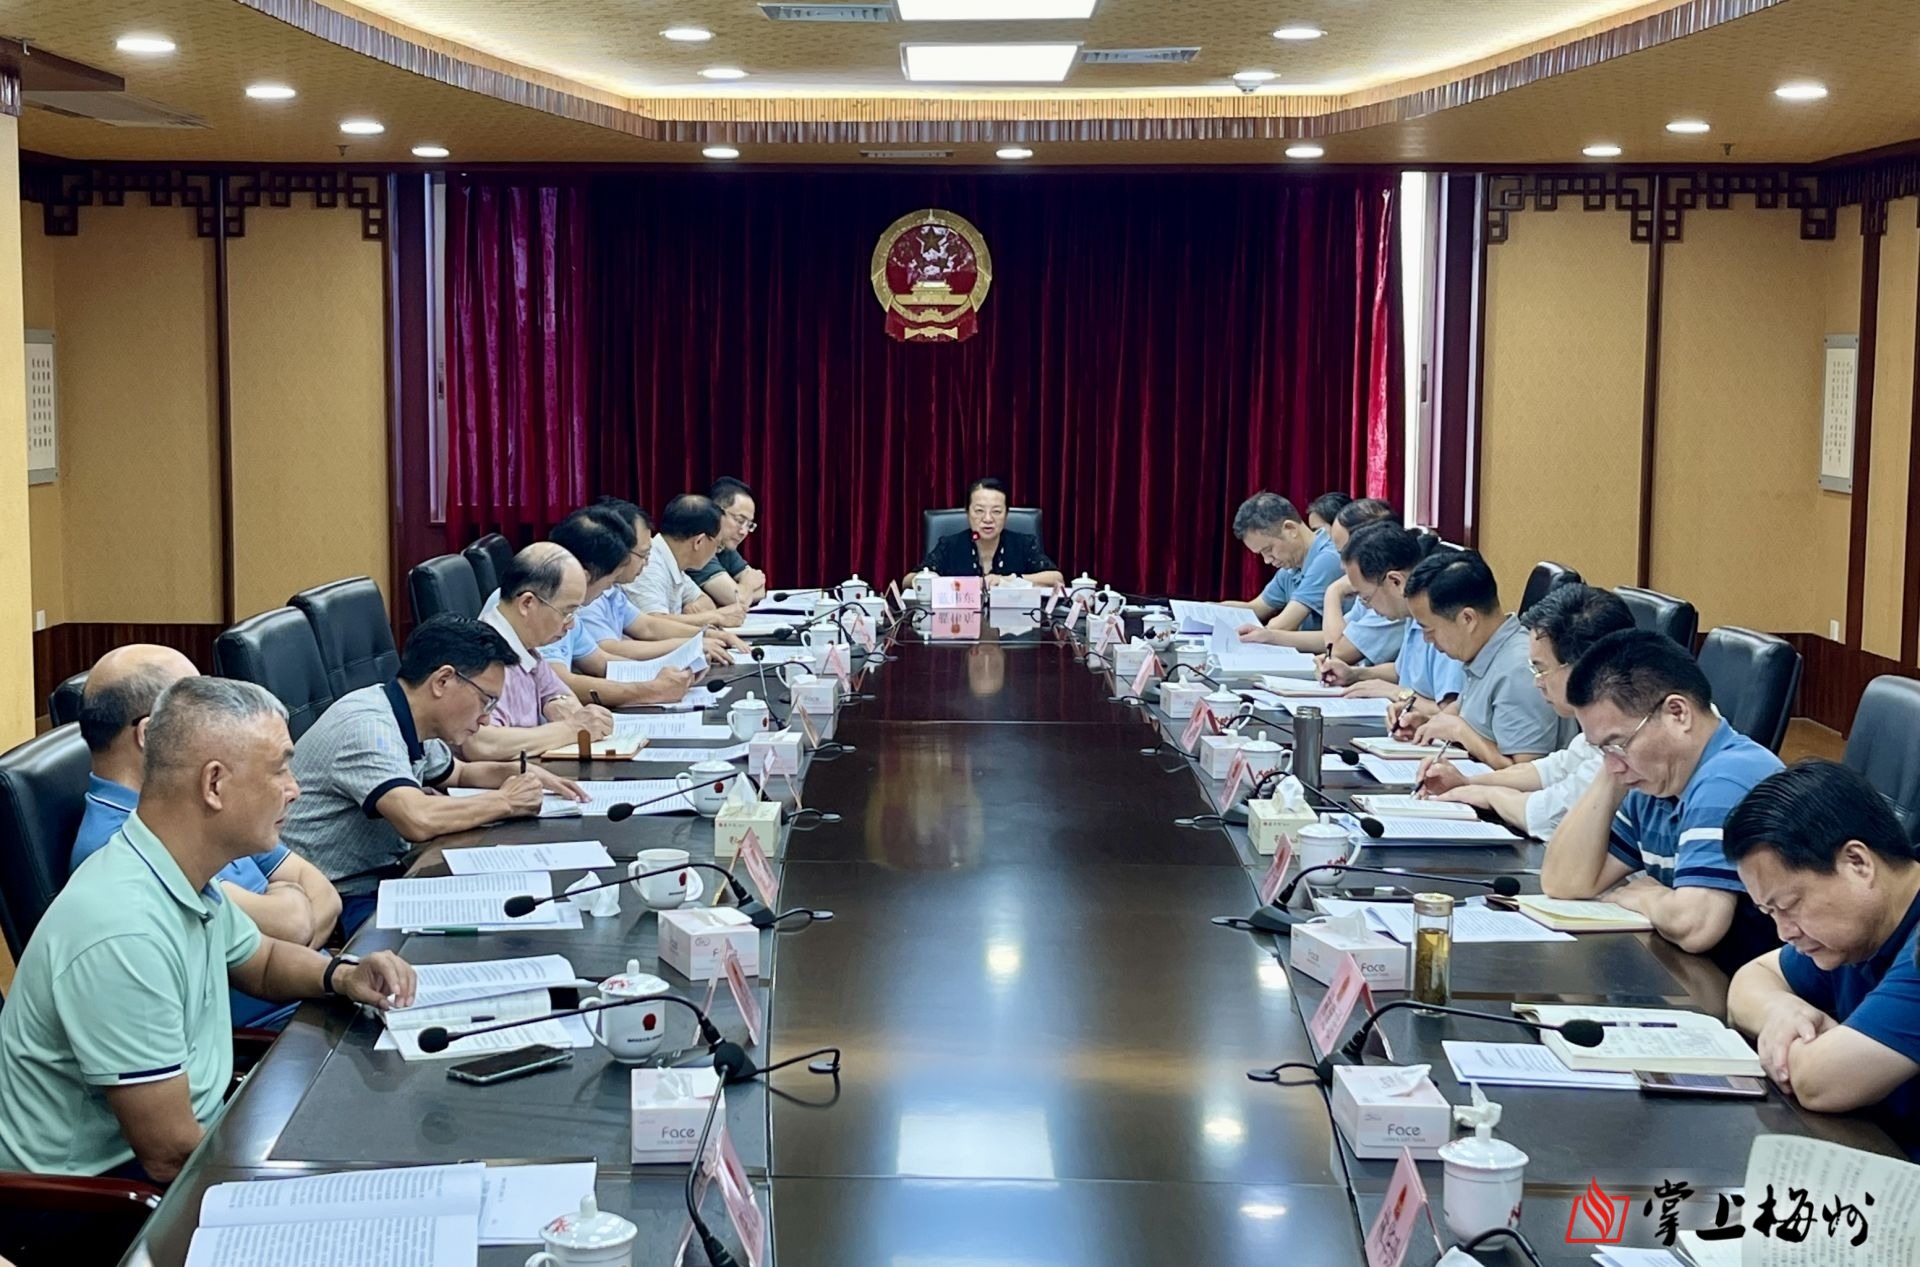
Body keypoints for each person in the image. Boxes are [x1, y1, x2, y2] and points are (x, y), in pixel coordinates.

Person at [0, 677, 417, 1181]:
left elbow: (263, 962)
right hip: (92, 1195)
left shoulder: (174, 869)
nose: (295, 788)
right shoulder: (124, 930)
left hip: (199, 1139)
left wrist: (342, 975)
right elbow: (169, 1154)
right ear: (214, 785)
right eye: (279, 769)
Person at [69, 645, 342, 1029]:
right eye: (200, 705)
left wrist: (323, 962)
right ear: (152, 734)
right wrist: (292, 905)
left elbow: (320, 900)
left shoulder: (208, 804)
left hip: (306, 992)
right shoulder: (129, 849)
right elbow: (293, 927)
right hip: (268, 1035)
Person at [278, 614, 586, 934]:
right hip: (337, 896)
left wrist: (518, 771)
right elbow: (417, 818)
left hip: (384, 875)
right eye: (486, 701)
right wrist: (506, 801)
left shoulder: (407, 714)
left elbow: (459, 774)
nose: (486, 718)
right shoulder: (369, 728)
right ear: (443, 681)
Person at [1542, 628, 1781, 969]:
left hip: (1752, 985)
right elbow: (1563, 882)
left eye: (1618, 742)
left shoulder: (1728, 778)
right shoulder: (1656, 783)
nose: (1613, 763)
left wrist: (1650, 897)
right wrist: (1612, 770)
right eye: (1602, 749)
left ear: (1677, 713)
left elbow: (1697, 925)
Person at [1724, 762, 1920, 1152]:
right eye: (1770, 913)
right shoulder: (1851, 934)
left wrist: (1809, 1053)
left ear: (1857, 863)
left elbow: (1818, 1081)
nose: (1784, 932)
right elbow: (1751, 979)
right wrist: (1785, 1012)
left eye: (1789, 906)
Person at [1423, 583, 1635, 837]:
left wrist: (1487, 795)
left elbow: (1546, 815)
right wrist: (1467, 782)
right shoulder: (1596, 730)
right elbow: (1550, 770)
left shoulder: (1625, 742)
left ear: (1584, 668)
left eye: (1541, 669)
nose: (1536, 682)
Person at [1400, 549, 1567, 768]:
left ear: (1468, 619)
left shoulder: (1518, 670)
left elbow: (1528, 773)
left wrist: (1460, 732)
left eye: (1429, 629)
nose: (1426, 639)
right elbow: (1465, 714)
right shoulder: (1485, 651)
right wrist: (1426, 724)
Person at [463, 542, 618, 761]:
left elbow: (562, 696)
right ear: (527, 603)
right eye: (566, 612)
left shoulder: (526, 646)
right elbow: (480, 743)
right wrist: (571, 729)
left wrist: (555, 701)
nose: (571, 624)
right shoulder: (482, 656)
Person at [569, 499, 735, 669]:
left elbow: (647, 626)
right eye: (643, 554)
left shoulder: (611, 589)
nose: (647, 562)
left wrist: (705, 634)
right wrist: (691, 644)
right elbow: (606, 650)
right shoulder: (586, 591)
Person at [1324, 525, 1464, 723]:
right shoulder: (1409, 615)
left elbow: (1450, 713)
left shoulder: (1442, 621)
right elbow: (1402, 671)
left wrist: (1395, 692)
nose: (1369, 608)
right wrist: (1355, 674)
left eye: (1366, 598)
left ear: (1395, 581)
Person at [626, 494, 750, 635]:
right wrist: (715, 617)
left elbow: (706, 602)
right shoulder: (648, 564)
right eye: (718, 545)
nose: (716, 552)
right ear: (699, 542)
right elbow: (652, 624)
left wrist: (696, 616)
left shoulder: (674, 561)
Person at [1232, 494, 1345, 647]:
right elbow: (1256, 608)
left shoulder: (1329, 558)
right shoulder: (1291, 566)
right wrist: (1204, 609)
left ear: (1290, 529)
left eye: (1268, 549)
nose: (1267, 560)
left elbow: (1282, 625)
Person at [921, 477, 1064, 588]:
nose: (988, 519)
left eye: (996, 511)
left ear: (1006, 514)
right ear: (967, 512)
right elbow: (911, 579)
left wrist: (1010, 580)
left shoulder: (1023, 544)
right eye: (979, 511)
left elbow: (1056, 578)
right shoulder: (949, 545)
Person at [1317, 498, 1403, 670]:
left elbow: (1336, 650)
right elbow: (1341, 636)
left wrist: (1333, 591)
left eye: (1344, 552)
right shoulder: (1372, 584)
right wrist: (1271, 636)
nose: (1341, 564)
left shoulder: (1392, 594)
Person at [691, 477, 768, 606]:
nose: (744, 532)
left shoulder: (724, 545)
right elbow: (736, 599)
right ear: (716, 512)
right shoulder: (698, 544)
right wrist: (748, 585)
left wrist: (742, 590)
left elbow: (761, 590)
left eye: (749, 525)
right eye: (740, 520)